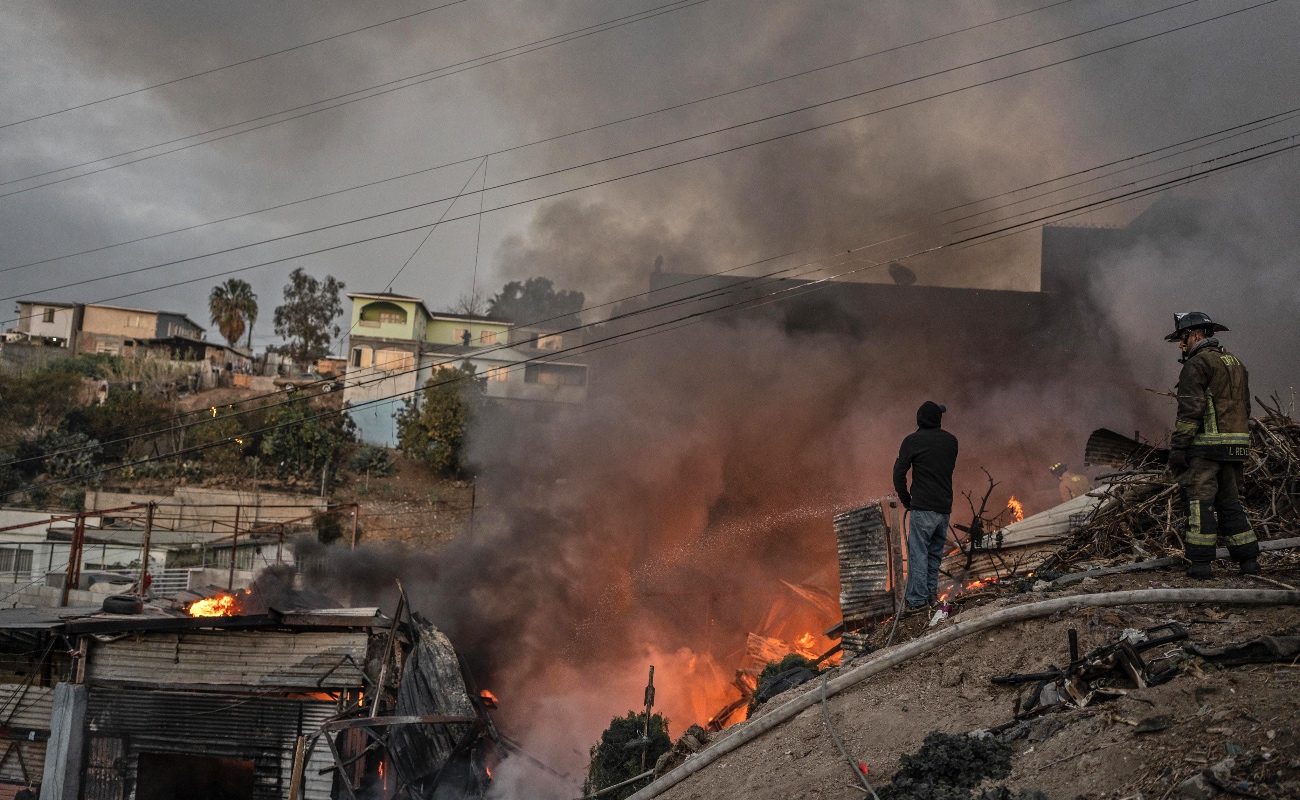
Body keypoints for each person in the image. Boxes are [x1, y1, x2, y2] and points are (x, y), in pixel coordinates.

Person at [1164, 312, 1259, 578]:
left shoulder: (1196, 365)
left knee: (1199, 503)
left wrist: (1179, 448)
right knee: (1230, 503)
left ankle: (1201, 565)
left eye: (1183, 339)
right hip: (1235, 446)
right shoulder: (1235, 362)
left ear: (1194, 335)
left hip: (1206, 449)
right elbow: (1245, 407)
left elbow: (1190, 411)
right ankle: (1249, 561)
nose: (1182, 346)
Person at [893, 401, 959, 610]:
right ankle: (930, 596)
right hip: (944, 509)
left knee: (919, 554)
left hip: (923, 509)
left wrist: (907, 501)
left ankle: (918, 602)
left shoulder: (912, 441)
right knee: (934, 555)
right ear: (938, 419)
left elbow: (898, 475)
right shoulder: (951, 441)